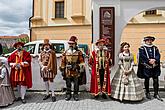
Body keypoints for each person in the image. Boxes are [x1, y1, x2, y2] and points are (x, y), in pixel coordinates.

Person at [137, 36, 163, 101]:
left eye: (151, 40)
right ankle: (147, 92)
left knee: (156, 80)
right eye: (148, 40)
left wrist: (155, 60)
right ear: (145, 41)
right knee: (147, 80)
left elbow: (158, 55)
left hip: (155, 66)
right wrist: (149, 60)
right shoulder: (142, 48)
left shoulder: (155, 48)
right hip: (147, 66)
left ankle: (156, 93)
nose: (149, 41)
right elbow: (142, 56)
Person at [60, 36, 85, 101]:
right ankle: (68, 94)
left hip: (76, 71)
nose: (71, 45)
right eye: (70, 44)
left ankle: (75, 94)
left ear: (75, 44)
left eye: (72, 44)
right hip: (67, 71)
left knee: (76, 83)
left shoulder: (79, 52)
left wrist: (76, 66)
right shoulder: (65, 52)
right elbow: (63, 61)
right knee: (68, 83)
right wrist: (63, 69)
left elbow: (82, 63)